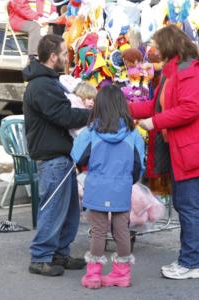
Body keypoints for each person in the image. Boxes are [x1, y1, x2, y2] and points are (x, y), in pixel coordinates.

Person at [128, 24, 199, 280]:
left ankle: (191, 263)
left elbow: (191, 108)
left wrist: (155, 123)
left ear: (169, 45)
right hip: (179, 152)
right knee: (186, 206)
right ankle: (189, 259)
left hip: (190, 153)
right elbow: (154, 105)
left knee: (189, 208)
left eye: (156, 45)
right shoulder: (171, 73)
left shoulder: (189, 71)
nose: (152, 49)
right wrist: (125, 108)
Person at [22, 34, 90, 276]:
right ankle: (40, 257)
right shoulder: (42, 85)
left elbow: (64, 113)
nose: (66, 58)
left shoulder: (49, 82)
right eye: (63, 54)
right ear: (53, 57)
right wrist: (93, 114)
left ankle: (60, 253)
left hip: (61, 157)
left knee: (70, 209)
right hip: (53, 157)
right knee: (52, 208)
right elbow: (63, 116)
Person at [71, 85, 145, 288]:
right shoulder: (133, 134)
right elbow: (139, 165)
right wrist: (127, 180)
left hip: (96, 187)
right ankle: (122, 273)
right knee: (121, 230)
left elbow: (77, 156)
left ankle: (94, 274)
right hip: (121, 187)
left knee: (98, 231)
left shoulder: (91, 132)